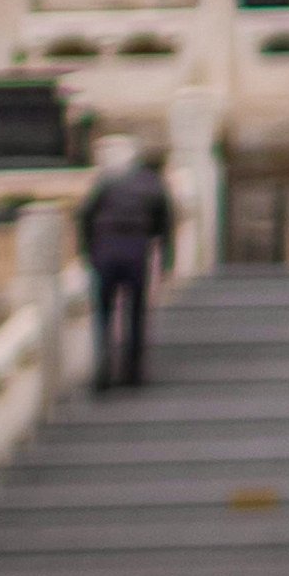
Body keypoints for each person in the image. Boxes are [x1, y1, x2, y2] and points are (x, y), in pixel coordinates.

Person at [74, 134, 172, 391]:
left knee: (104, 312)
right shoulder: (154, 185)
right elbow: (164, 227)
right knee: (136, 311)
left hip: (106, 249)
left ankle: (103, 370)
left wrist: (87, 252)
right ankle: (133, 371)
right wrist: (165, 264)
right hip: (136, 249)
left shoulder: (107, 183)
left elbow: (85, 216)